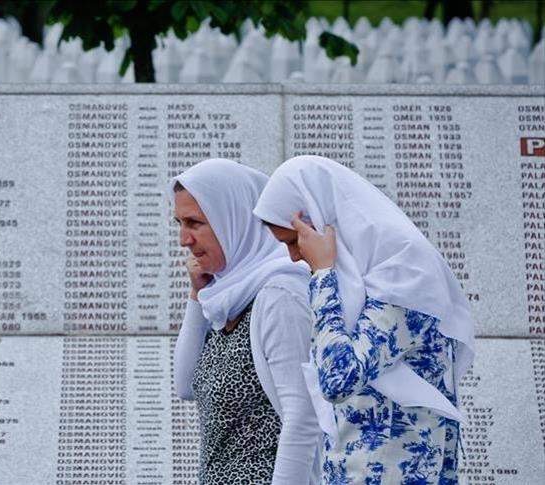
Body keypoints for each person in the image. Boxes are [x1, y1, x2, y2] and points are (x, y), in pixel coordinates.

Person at [254, 155, 475, 484]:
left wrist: (323, 273)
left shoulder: (404, 274)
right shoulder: (362, 278)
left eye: (292, 241)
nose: (294, 256)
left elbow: (338, 379)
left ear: (320, 219)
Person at [171, 158, 322, 485]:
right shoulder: (227, 299)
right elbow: (185, 386)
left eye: (195, 223)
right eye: (179, 223)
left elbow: (303, 417)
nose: (184, 239)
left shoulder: (279, 295)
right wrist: (197, 297)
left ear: (233, 219)